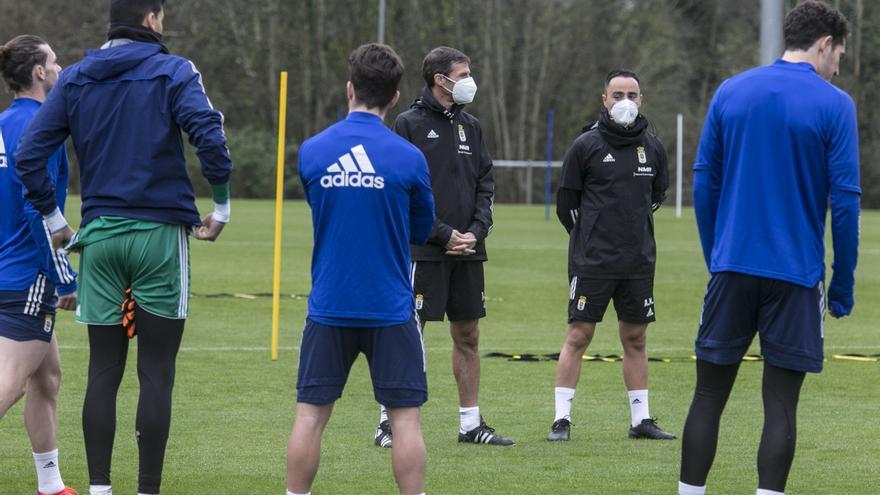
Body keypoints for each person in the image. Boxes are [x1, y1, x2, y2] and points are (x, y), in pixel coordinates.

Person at [14, 1, 234, 494]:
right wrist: (220, 207)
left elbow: (29, 157)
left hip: (100, 237)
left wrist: (55, 221)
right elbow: (210, 138)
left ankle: (98, 489)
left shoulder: (75, 77)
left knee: (103, 370)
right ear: (152, 19)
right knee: (156, 372)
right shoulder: (175, 69)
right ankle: (147, 490)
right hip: (160, 236)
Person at [678, 2, 860, 494]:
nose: (837, 68)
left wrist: (717, 254)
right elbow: (844, 204)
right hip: (796, 276)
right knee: (780, 403)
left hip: (732, 267)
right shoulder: (835, 104)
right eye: (838, 55)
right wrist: (841, 284)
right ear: (824, 44)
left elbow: (702, 183)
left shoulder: (730, 90)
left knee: (708, 396)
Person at [286, 43, 434, 495]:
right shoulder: (409, 158)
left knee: (310, 415)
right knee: (404, 418)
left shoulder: (312, 151)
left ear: (349, 88)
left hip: (329, 305)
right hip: (390, 307)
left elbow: (321, 208)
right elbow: (422, 228)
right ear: (394, 98)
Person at [374, 45, 512, 449]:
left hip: (469, 250)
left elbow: (486, 182)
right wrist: (441, 233)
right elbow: (402, 189)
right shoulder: (408, 124)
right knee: (407, 334)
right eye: (463, 73)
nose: (470, 80)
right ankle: (387, 423)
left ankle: (471, 425)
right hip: (425, 250)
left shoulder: (472, 126)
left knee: (468, 334)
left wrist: (475, 231)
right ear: (440, 79)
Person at [547, 69, 674, 442]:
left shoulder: (652, 147)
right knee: (578, 335)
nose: (624, 102)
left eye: (631, 95)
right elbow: (566, 204)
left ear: (641, 100)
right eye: (617, 95)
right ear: (604, 99)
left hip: (637, 262)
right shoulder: (585, 145)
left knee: (635, 338)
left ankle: (641, 420)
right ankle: (561, 420)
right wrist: (589, 237)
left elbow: (656, 196)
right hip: (593, 261)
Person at [0, 34, 78, 495]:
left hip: (7, 267)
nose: (60, 65)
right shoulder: (42, 127)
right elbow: (37, 207)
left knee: (46, 376)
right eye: (54, 60)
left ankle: (50, 485)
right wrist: (62, 274)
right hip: (29, 270)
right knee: (10, 380)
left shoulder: (4, 122)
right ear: (38, 73)